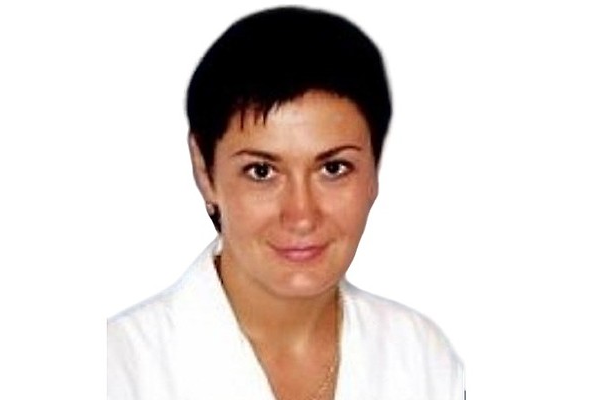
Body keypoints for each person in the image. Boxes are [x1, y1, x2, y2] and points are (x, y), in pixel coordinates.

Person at [107, 6, 464, 400]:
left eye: (333, 168)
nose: (301, 215)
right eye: (261, 171)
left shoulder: (421, 358)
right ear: (205, 172)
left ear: (374, 170)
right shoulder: (117, 369)